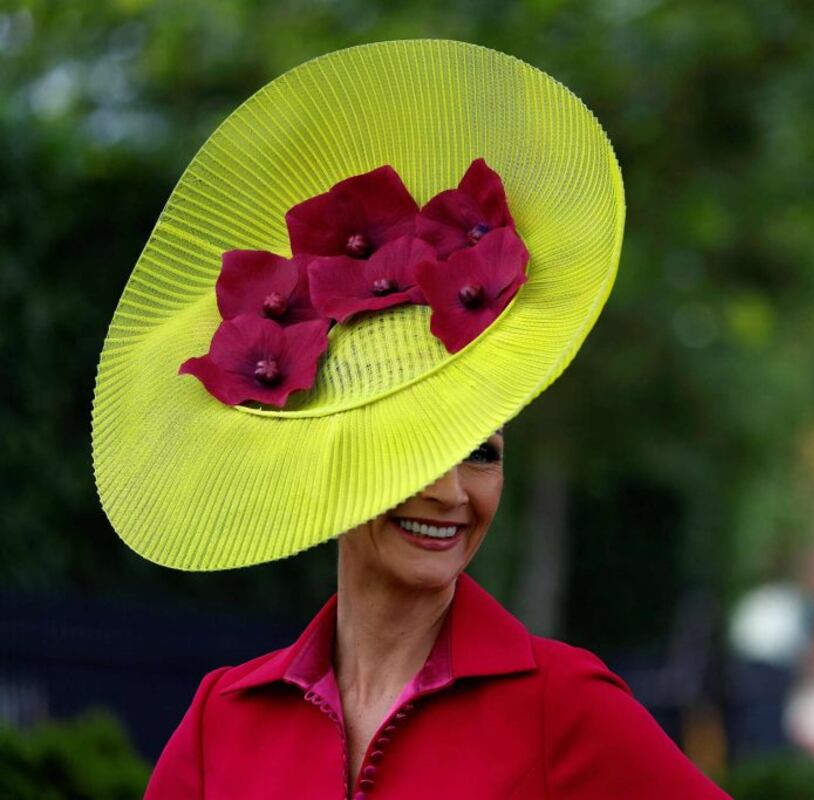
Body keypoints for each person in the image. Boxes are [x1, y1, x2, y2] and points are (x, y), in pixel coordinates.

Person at [92, 39, 732, 798]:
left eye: (483, 454)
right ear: (331, 468)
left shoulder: (565, 708)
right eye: (416, 451)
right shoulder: (221, 721)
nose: (451, 492)